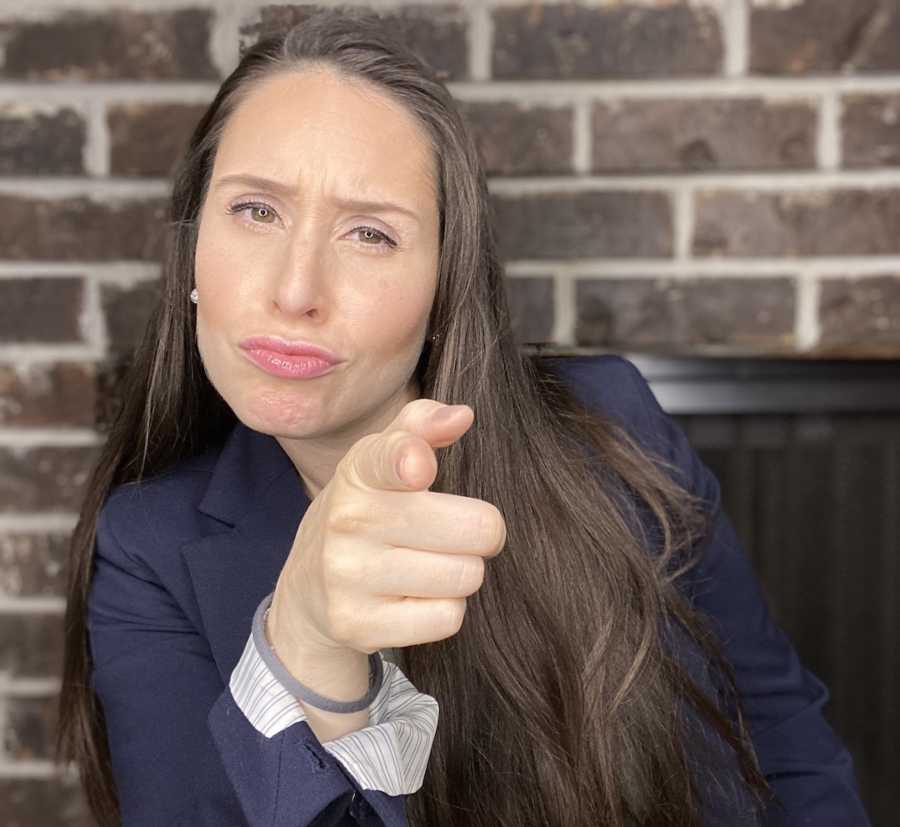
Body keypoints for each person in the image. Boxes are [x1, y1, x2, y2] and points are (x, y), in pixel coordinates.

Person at [54, 9, 871, 827]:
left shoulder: (610, 424)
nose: (296, 289)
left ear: (444, 286)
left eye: (370, 233)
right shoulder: (147, 548)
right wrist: (304, 653)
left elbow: (784, 745)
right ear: (192, 249)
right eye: (256, 212)